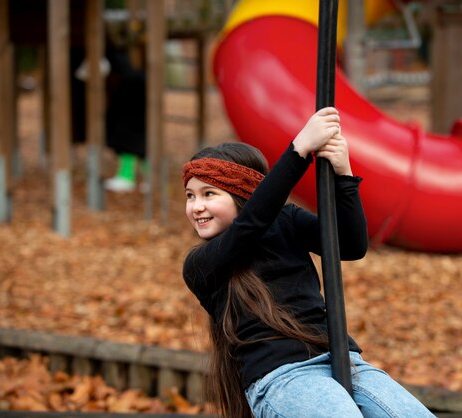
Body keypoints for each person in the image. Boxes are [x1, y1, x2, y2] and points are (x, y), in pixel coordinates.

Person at [182, 107, 435, 418]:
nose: (196, 207)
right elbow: (250, 225)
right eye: (190, 196)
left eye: (209, 194)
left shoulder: (286, 220)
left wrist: (343, 174)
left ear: (242, 193)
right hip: (282, 378)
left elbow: (350, 245)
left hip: (343, 362)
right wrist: (298, 150)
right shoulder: (201, 265)